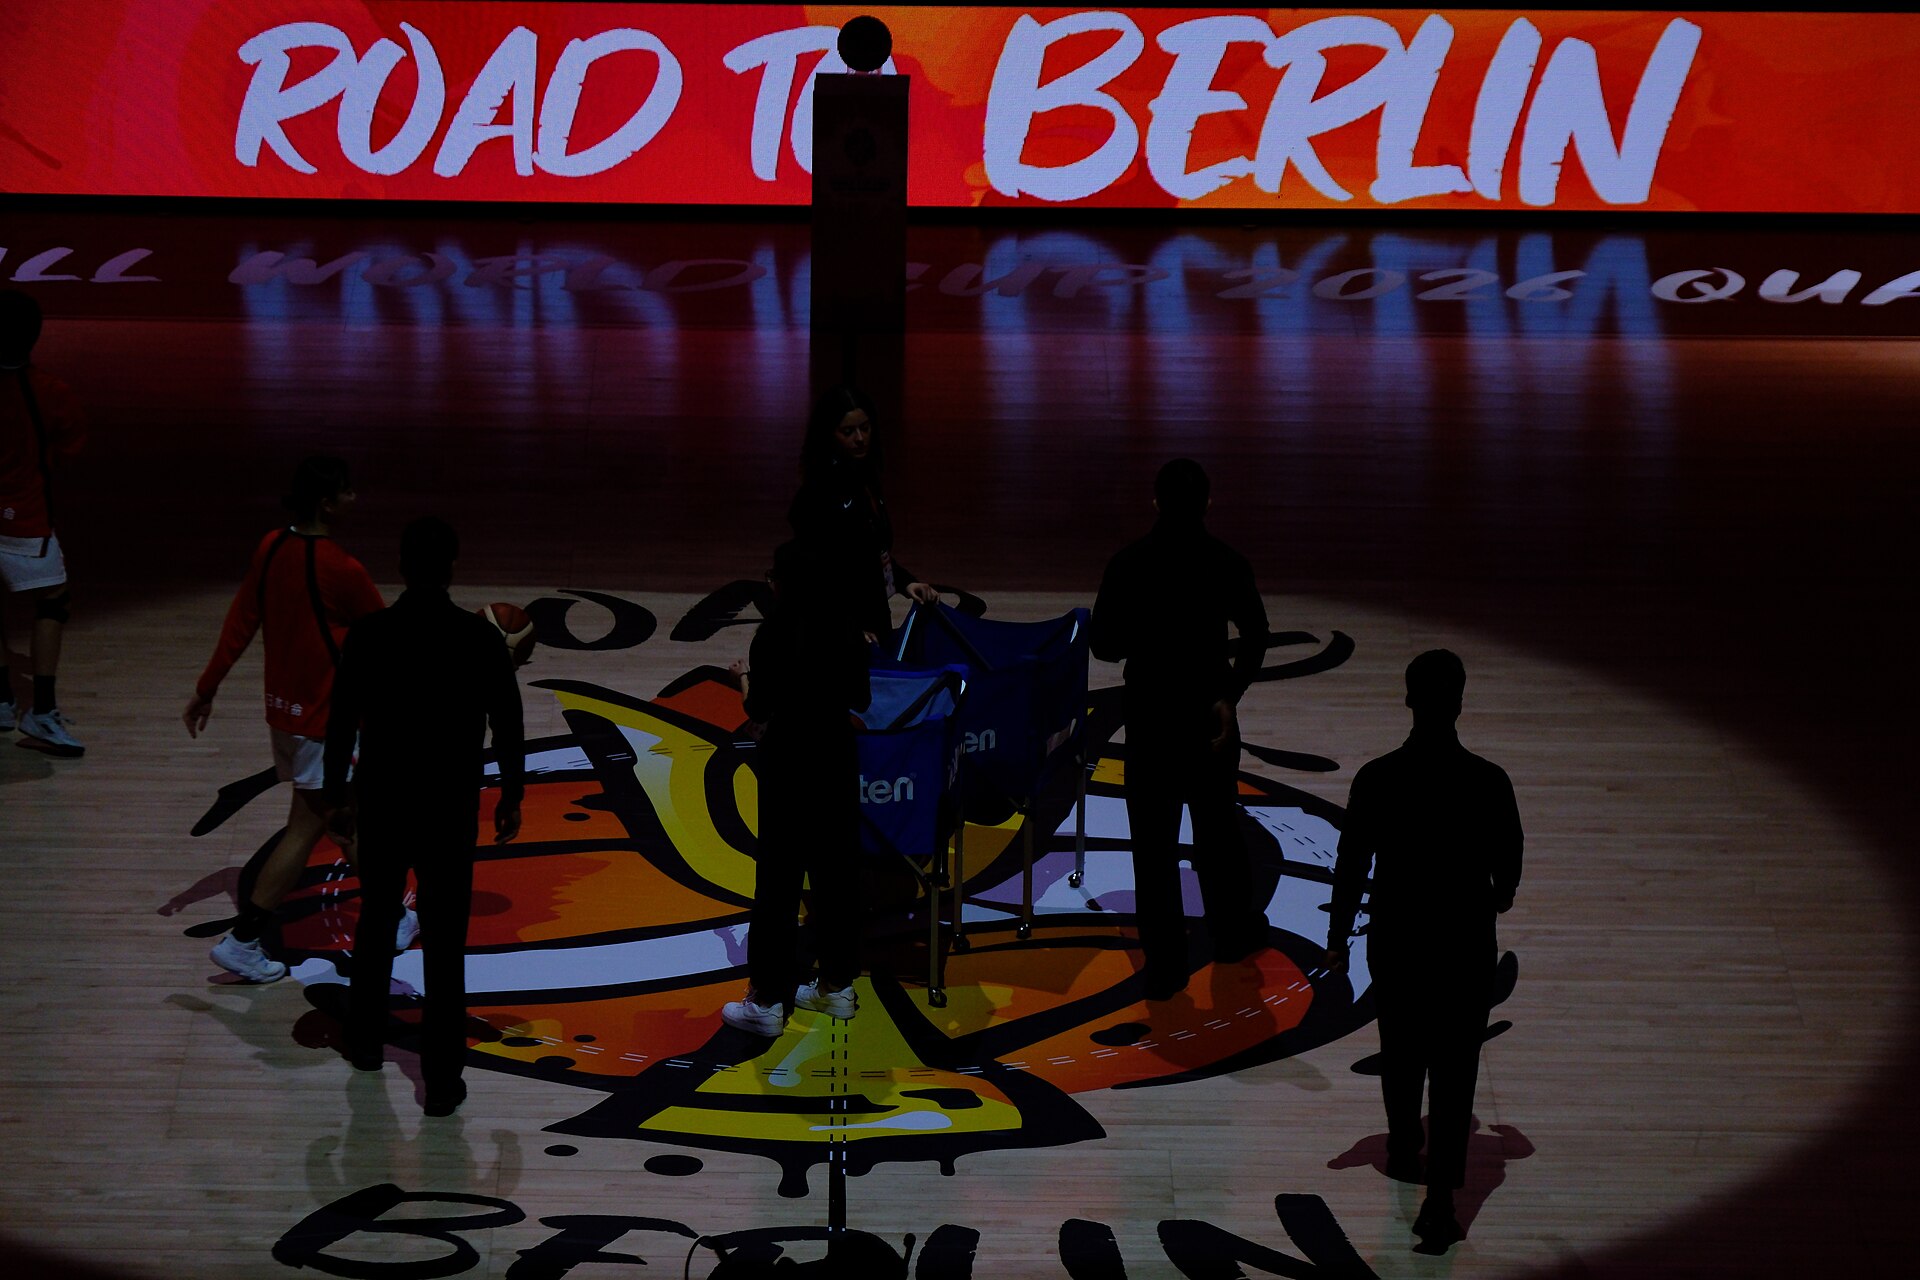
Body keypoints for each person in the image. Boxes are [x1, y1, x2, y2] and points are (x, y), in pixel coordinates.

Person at [325, 516, 524, 1116]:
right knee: (443, 944)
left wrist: (338, 796)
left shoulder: (370, 634)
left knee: (378, 921)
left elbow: (339, 723)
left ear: (403, 567)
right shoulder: (480, 639)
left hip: (386, 800)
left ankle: (364, 1044)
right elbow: (509, 723)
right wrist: (511, 795)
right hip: (449, 807)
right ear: (452, 567)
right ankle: (441, 1082)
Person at [1325, 649, 1523, 1251]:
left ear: (1408, 700)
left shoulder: (1378, 778)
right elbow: (1508, 867)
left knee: (1403, 1053)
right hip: (1463, 943)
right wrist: (1498, 894)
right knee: (1457, 1070)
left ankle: (1405, 1148)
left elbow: (1352, 863)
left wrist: (1337, 940)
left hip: (1400, 938)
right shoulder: (1488, 781)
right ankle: (1440, 1202)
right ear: (1459, 701)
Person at [184, 457, 403, 982]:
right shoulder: (340, 568)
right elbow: (388, 640)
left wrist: (207, 686)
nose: (355, 499)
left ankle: (392, 915)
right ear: (326, 503)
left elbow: (241, 619)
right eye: (347, 492)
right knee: (305, 829)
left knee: (344, 818)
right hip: (325, 723)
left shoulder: (271, 545)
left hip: (283, 717)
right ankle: (243, 940)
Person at [1090, 458, 1271, 1000]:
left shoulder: (1128, 564)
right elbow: (1257, 634)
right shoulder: (1225, 561)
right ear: (1208, 503)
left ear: (1155, 502)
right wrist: (1229, 695)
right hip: (1207, 716)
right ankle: (1232, 936)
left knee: (1153, 843)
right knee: (1217, 830)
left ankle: (1166, 965)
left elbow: (1104, 645)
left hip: (1150, 717)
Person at [721, 541, 872, 1036]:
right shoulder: (848, 629)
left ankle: (766, 1003)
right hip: (835, 761)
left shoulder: (770, 637)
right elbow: (861, 697)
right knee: (837, 876)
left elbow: (759, 711)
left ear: (782, 584)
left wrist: (743, 682)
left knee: (779, 884)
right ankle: (836, 988)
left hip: (788, 766)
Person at [0, 289, 86, 756]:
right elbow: (70, 450)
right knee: (54, 601)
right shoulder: (51, 393)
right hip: (25, 520)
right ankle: (42, 712)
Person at [787, 385, 937, 641]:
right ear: (829, 435)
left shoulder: (865, 479)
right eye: (848, 431)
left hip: (873, 616)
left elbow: (870, 551)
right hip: (837, 632)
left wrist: (906, 583)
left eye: (865, 428)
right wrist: (846, 629)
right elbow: (816, 577)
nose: (860, 438)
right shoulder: (815, 496)